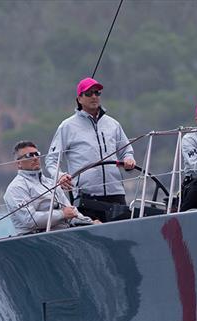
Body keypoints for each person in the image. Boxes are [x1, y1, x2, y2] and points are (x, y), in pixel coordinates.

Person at [46, 77, 136, 222]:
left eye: (97, 93)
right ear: (79, 99)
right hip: (86, 196)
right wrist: (60, 176)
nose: (94, 96)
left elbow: (127, 150)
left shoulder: (113, 124)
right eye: (88, 93)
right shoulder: (67, 126)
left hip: (116, 192)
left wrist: (129, 159)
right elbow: (51, 160)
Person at [4, 141, 94, 235]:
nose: (35, 158)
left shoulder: (51, 183)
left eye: (37, 154)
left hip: (64, 235)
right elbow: (30, 220)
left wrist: (90, 222)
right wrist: (62, 214)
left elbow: (71, 211)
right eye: (29, 155)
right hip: (36, 239)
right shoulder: (16, 188)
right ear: (19, 163)